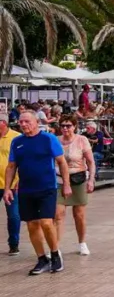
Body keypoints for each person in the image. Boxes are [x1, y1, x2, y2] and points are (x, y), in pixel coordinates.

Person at [3, 110, 72, 274]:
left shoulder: (48, 139)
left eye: (27, 121)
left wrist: (67, 184)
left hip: (47, 187)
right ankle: (42, 259)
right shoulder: (17, 142)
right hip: (26, 189)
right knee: (32, 225)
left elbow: (61, 162)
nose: (24, 124)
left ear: (36, 122)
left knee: (46, 223)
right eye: (21, 122)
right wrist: (7, 188)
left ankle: (55, 255)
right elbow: (11, 166)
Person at [55, 115, 95, 255]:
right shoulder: (55, 140)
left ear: (74, 126)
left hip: (77, 178)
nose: (65, 128)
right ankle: (56, 247)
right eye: (63, 126)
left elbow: (90, 161)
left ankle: (82, 242)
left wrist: (91, 180)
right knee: (58, 214)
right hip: (59, 180)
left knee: (79, 214)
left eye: (68, 125)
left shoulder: (81, 140)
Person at [1, 118, 20, 255]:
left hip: (11, 184)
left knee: (13, 215)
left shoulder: (16, 137)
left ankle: (13, 244)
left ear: (4, 123)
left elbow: (20, 161)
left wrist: (20, 179)